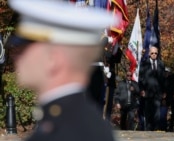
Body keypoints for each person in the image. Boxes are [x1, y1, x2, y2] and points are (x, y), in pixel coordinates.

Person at [7, 0, 118, 141]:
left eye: (25, 47)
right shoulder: (81, 123)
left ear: (53, 59)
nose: (16, 56)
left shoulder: (61, 132)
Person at [138, 46, 166, 131]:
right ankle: (148, 130)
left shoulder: (161, 64)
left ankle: (156, 129)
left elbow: (163, 79)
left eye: (156, 53)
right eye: (152, 53)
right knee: (148, 112)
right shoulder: (144, 63)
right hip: (147, 92)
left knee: (157, 112)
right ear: (149, 54)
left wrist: (164, 91)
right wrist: (142, 90)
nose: (154, 55)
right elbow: (141, 78)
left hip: (158, 92)